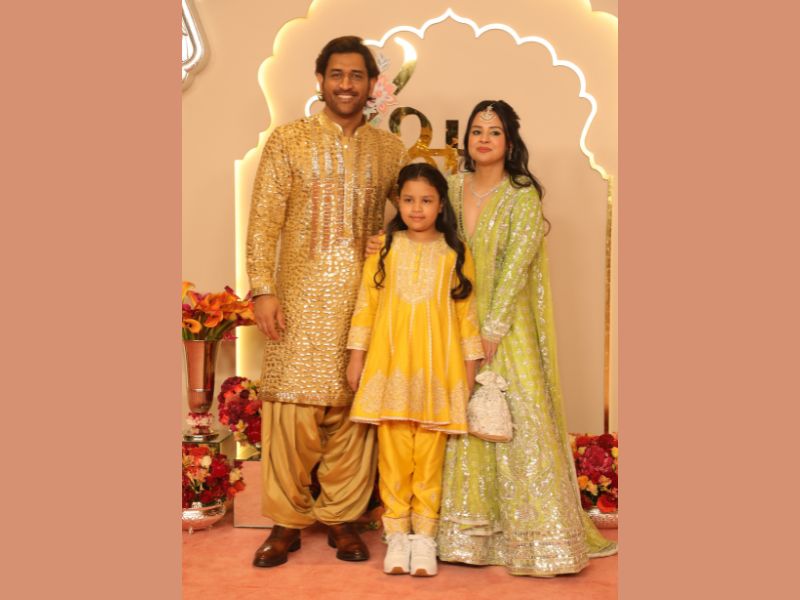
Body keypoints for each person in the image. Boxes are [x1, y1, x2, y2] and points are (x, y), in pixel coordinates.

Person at [434, 100, 618, 575]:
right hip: (454, 320)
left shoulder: (521, 195)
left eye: (494, 131)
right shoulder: (450, 188)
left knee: (522, 418)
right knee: (460, 420)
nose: (484, 139)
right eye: (477, 130)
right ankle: (466, 537)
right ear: (466, 139)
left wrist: (492, 329)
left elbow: (517, 265)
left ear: (510, 142)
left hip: (508, 325)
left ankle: (541, 539)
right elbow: (428, 241)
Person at [246, 35, 406, 568]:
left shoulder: (388, 150)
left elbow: (421, 209)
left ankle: (343, 519)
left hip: (362, 303)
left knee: (352, 410)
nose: (346, 85)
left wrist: (394, 241)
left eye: (357, 75)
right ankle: (285, 523)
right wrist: (263, 288)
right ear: (320, 79)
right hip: (297, 297)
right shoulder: (288, 140)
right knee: (291, 410)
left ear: (372, 84)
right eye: (336, 74)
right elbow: (264, 221)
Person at [346, 163, 484, 577]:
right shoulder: (384, 249)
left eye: (426, 200)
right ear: (398, 203)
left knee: (429, 456)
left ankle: (424, 538)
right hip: (389, 366)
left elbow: (467, 316)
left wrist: (469, 371)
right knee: (392, 455)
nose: (417, 208)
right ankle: (396, 536)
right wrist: (356, 357)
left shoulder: (455, 253)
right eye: (408, 200)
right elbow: (366, 306)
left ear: (441, 204)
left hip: (439, 369)